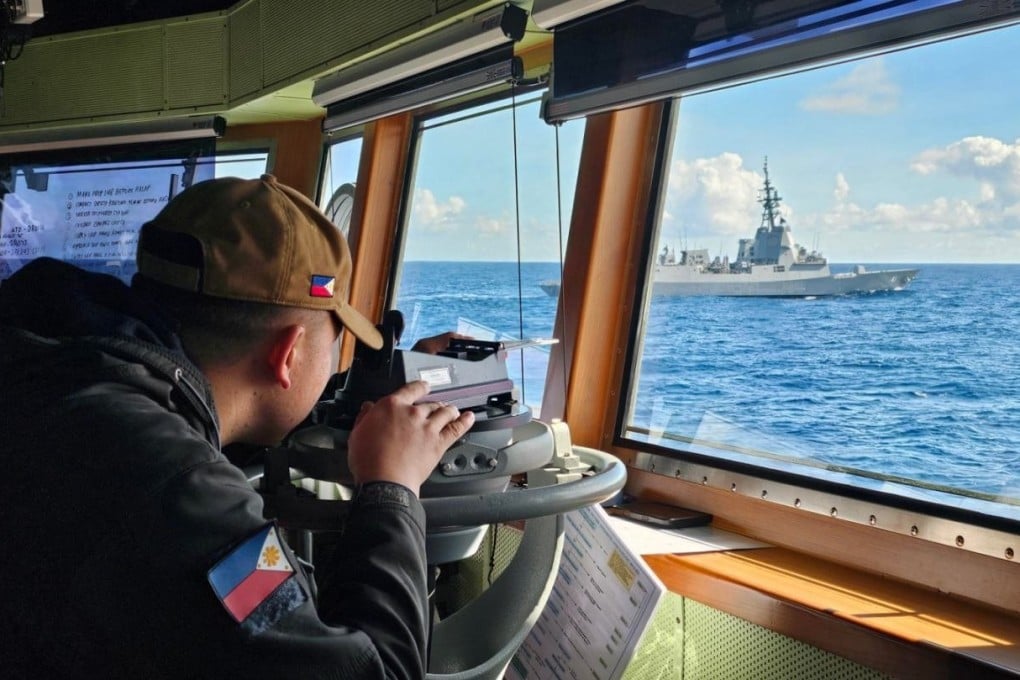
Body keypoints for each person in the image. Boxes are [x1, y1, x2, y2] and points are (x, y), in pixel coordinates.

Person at [0, 174, 474, 678]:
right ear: (288, 354)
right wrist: (392, 490)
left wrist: (385, 384)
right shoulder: (185, 499)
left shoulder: (62, 369)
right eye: (337, 339)